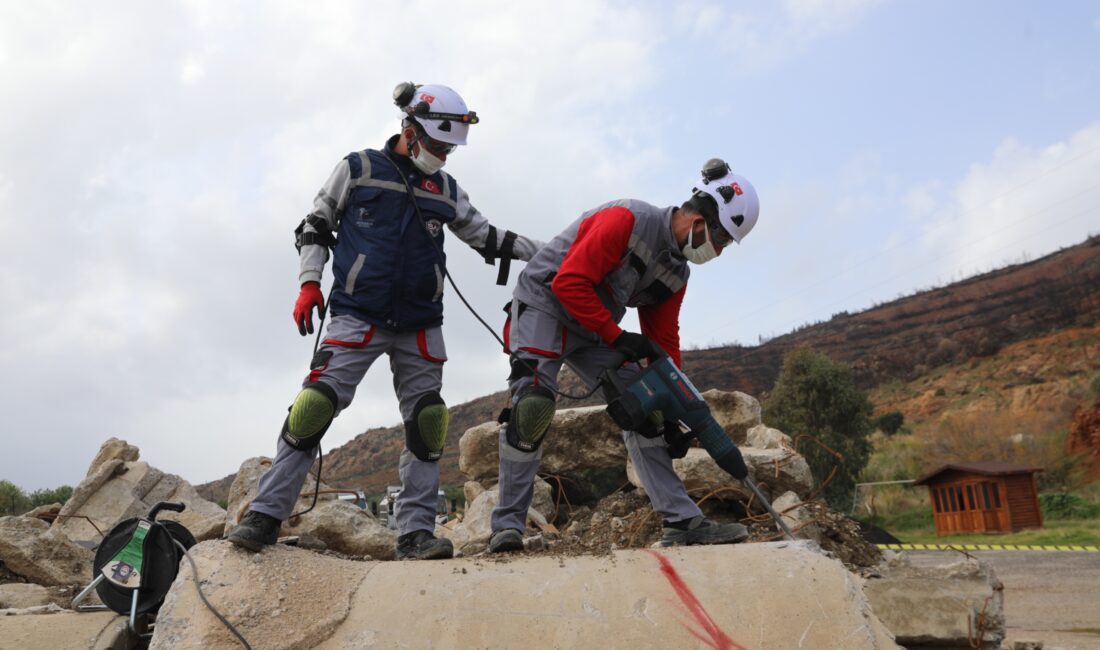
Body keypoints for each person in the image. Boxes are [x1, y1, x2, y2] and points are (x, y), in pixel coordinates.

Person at [228, 83, 543, 560]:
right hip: (358, 313)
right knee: (313, 407)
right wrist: (309, 281)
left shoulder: (446, 189)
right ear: (409, 129)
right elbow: (315, 222)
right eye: (437, 145)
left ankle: (415, 533)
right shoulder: (358, 168)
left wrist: (553, 253)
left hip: (421, 322)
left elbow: (485, 236)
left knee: (428, 422)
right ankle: (266, 514)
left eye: (449, 147)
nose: (444, 155)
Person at [488, 158, 760, 553]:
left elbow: (664, 341)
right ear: (702, 222)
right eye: (720, 242)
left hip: (594, 325)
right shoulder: (626, 219)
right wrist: (616, 336)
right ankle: (507, 527)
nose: (716, 252)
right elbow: (570, 282)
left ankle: (682, 522)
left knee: (645, 405)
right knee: (532, 405)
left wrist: (672, 403)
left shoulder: (677, 274)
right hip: (546, 302)